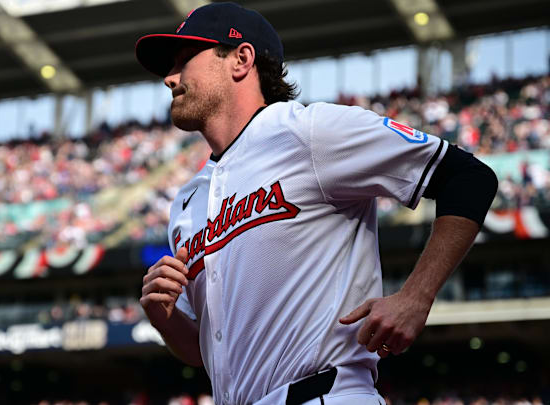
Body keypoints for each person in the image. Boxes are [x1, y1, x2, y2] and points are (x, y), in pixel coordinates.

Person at [135, 3, 498, 404]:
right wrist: (164, 319)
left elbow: (469, 178)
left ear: (241, 59)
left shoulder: (308, 132)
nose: (170, 78)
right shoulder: (186, 202)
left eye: (185, 60)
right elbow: (204, 354)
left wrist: (416, 296)